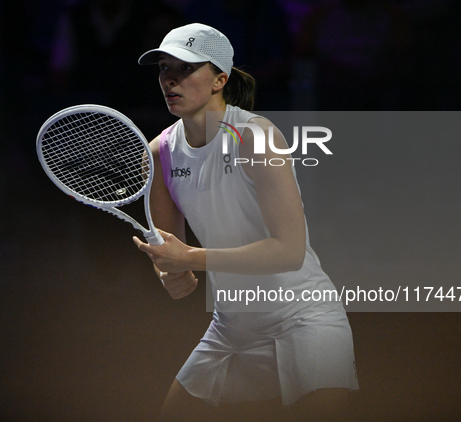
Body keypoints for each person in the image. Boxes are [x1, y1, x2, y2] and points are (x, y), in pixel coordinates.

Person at [132, 23, 358, 422]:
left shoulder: (255, 136)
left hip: (304, 317)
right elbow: (172, 250)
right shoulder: (160, 152)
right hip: (232, 328)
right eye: (164, 68)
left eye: (185, 68)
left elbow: (288, 251)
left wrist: (190, 259)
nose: (169, 78)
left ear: (220, 79)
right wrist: (169, 272)